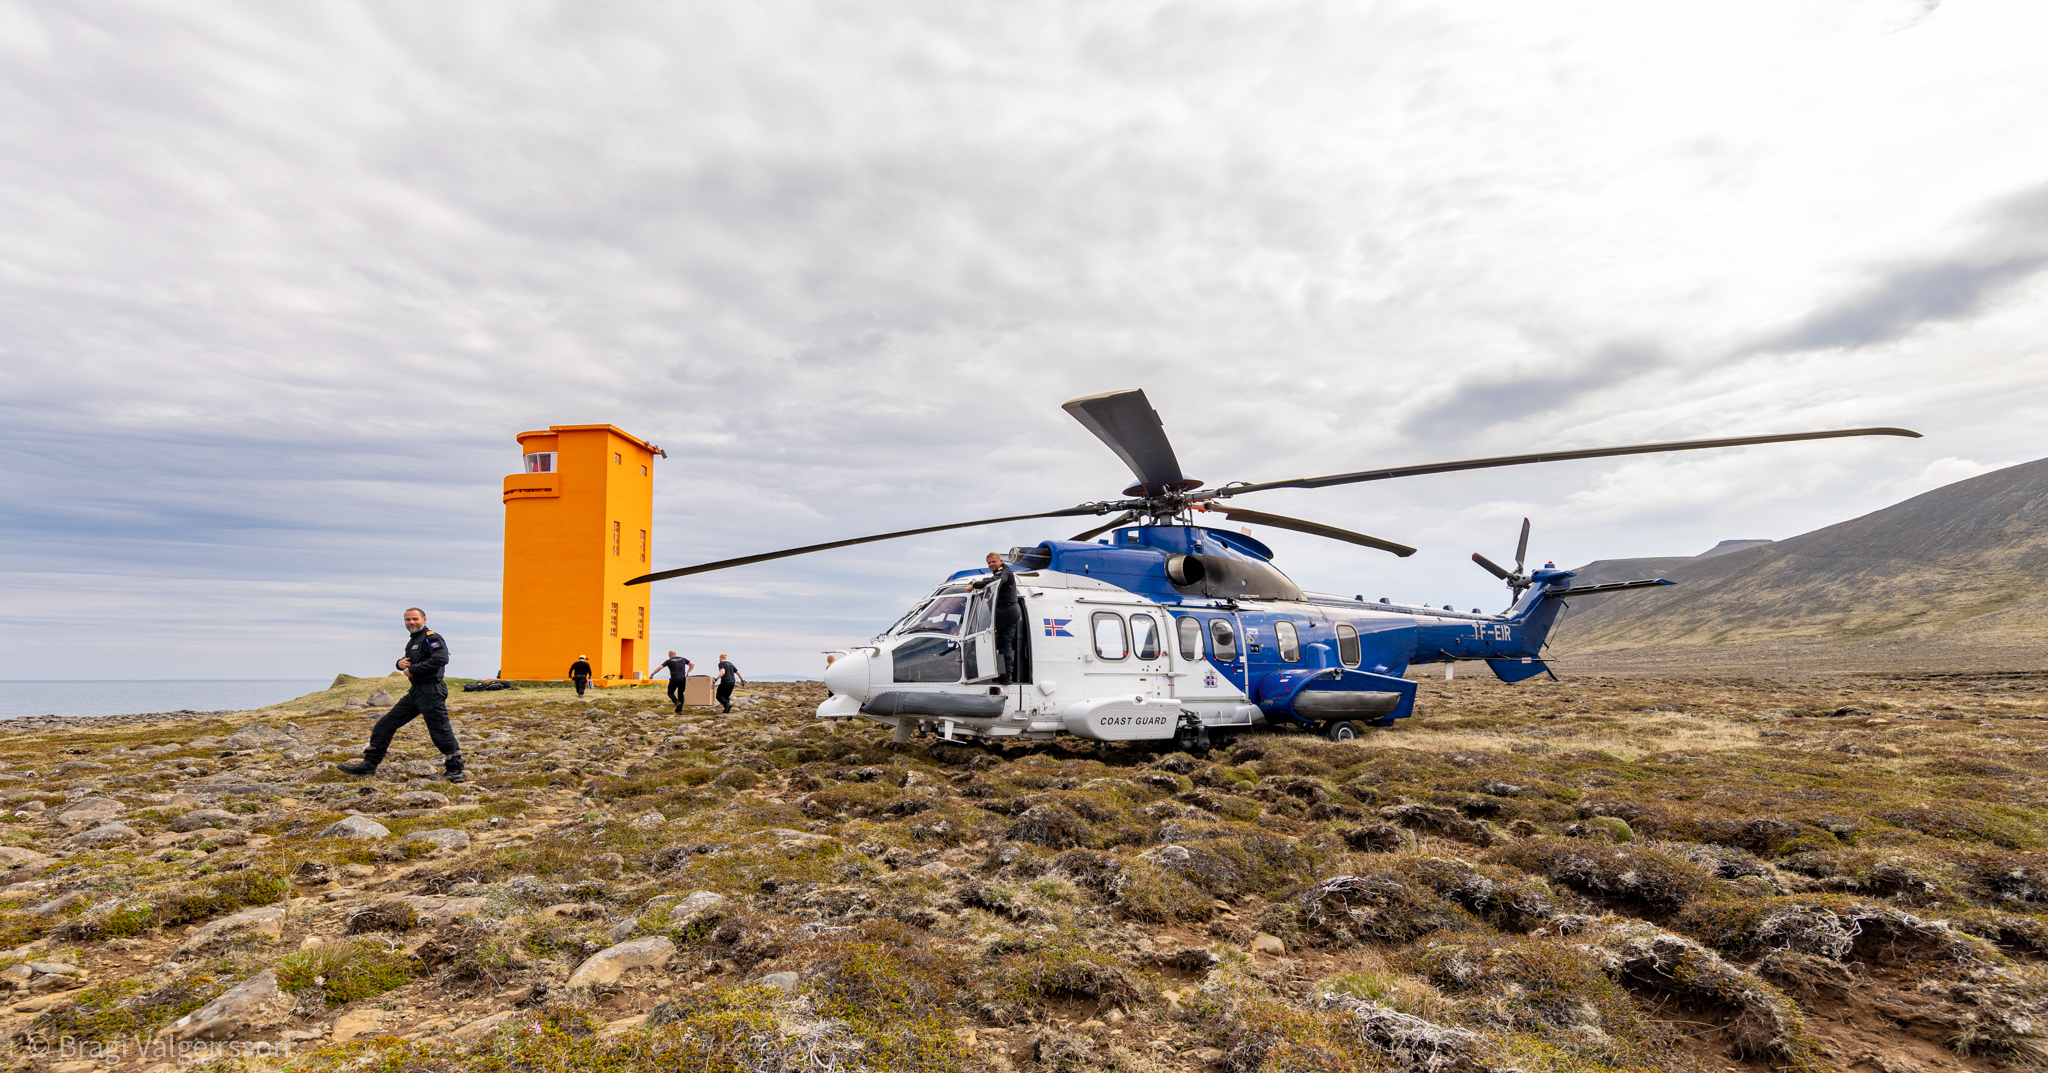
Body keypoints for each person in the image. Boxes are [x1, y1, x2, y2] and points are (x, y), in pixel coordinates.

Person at [338, 607, 465, 782]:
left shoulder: (432, 637)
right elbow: (412, 660)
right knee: (384, 725)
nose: (411, 622)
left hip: (431, 691)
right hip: (416, 692)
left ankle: (455, 771)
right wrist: (399, 664)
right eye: (408, 620)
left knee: (440, 731)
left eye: (415, 619)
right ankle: (369, 765)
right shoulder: (414, 640)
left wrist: (413, 669)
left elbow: (441, 658)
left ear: (424, 620)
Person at [967, 551, 1021, 685]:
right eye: (989, 563)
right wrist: (982, 581)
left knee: (987, 637)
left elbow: (996, 580)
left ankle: (995, 673)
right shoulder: (1000, 572)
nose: (991, 564)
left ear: (1000, 561)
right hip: (1009, 611)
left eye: (993, 562)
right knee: (1003, 644)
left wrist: (974, 585)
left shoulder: (1005, 571)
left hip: (1006, 611)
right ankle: (1004, 675)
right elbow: (993, 579)